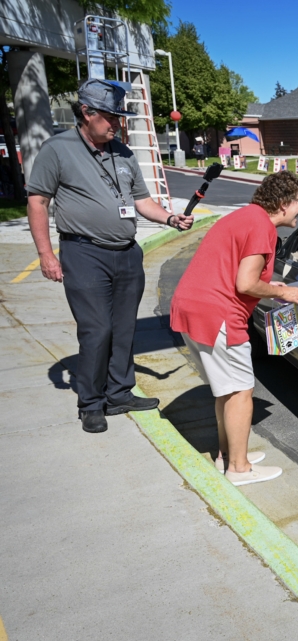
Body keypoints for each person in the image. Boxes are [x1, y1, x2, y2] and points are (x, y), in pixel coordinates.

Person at [26, 78, 194, 434]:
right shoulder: (58, 149)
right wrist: (46, 254)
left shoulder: (123, 152)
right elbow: (37, 201)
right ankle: (90, 402)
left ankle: (119, 393)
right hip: (83, 252)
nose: (116, 123)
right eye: (110, 116)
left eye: (118, 117)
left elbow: (141, 201)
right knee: (96, 330)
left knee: (124, 329)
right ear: (86, 113)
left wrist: (169, 217)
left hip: (126, 253)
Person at [170, 171, 298, 485]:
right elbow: (245, 283)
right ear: (284, 203)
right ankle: (239, 469)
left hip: (194, 306)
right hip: (217, 314)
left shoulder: (247, 217)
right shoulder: (263, 228)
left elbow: (240, 273)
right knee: (241, 391)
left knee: (226, 391)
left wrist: (266, 285)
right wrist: (282, 291)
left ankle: (227, 456)